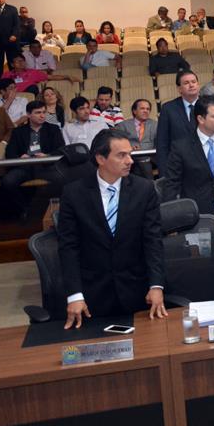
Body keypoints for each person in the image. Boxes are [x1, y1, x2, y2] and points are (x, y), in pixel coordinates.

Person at [59, 129, 166, 326]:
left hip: (137, 290)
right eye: (121, 155)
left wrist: (156, 285)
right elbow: (68, 247)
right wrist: (74, 294)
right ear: (100, 158)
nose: (130, 161)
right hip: (92, 295)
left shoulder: (144, 189)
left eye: (130, 154)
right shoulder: (74, 194)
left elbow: (152, 241)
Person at [163, 95, 214, 215]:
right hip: (197, 214)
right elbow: (172, 184)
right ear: (201, 119)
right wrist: (170, 217)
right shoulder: (181, 147)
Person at [1, 100, 63, 217]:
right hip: (25, 167)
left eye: (44, 112)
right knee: (7, 182)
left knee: (61, 179)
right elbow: (10, 153)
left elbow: (61, 149)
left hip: (46, 166)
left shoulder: (53, 129)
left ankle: (56, 210)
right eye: (38, 112)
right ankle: (25, 209)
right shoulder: (18, 132)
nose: (42, 115)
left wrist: (47, 155)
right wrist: (20, 157)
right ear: (29, 115)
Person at [155, 70, 201, 172]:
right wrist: (164, 173)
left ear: (198, 85)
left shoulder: (210, 105)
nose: (191, 85)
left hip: (208, 166)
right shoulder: (168, 109)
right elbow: (162, 143)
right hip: (179, 168)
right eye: (186, 83)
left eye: (193, 82)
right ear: (179, 89)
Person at [3, 53, 73, 95]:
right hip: (12, 98)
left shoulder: (32, 72)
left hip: (30, 101)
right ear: (12, 64)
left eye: (22, 61)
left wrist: (66, 76)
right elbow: (2, 89)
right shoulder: (6, 75)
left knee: (33, 88)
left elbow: (51, 77)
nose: (21, 63)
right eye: (18, 61)